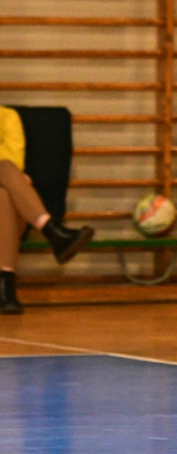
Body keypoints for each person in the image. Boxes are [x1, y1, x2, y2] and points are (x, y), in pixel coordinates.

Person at [0, 105, 95, 314]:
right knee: (5, 171)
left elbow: (14, 159)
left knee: (4, 192)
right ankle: (52, 231)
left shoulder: (7, 116)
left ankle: (4, 288)